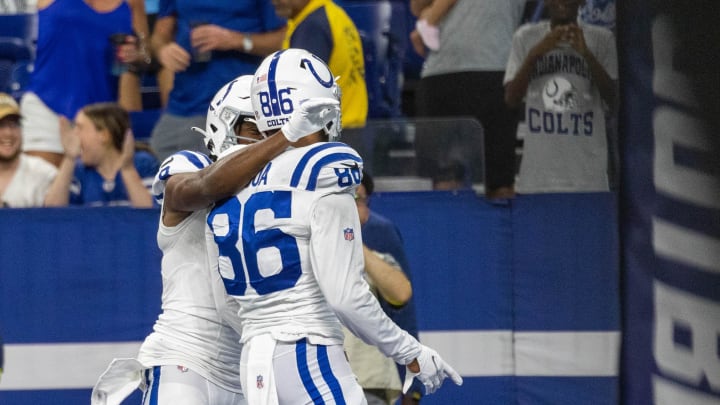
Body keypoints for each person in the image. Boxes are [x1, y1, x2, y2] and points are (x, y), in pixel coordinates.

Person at [206, 48, 462, 404]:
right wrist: (409, 351)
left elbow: (224, 305)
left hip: (255, 361)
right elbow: (345, 297)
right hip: (309, 354)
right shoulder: (323, 173)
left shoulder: (230, 183)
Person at [90, 75, 343, 405]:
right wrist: (284, 138)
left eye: (277, 129)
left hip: (253, 372)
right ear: (224, 125)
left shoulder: (292, 195)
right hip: (186, 360)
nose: (271, 139)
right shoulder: (190, 166)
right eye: (259, 129)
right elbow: (201, 188)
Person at [410, 0, 525, 199]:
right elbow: (417, 7)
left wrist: (429, 18)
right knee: (445, 180)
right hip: (441, 73)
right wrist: (430, 15)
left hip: (494, 72)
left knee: (500, 183)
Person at [148, 0, 286, 161]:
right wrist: (163, 50)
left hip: (238, 109)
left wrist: (236, 40)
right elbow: (159, 36)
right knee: (156, 174)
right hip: (181, 106)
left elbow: (284, 38)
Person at [503, 0, 618, 193]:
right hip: (537, 181)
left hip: (587, 180)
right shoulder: (525, 37)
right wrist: (536, 54)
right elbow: (511, 99)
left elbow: (614, 100)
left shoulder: (602, 39)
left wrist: (586, 55)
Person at [20, 0, 151, 167]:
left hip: (100, 114)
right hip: (46, 106)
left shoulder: (133, 3)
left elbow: (146, 53)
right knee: (41, 186)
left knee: (96, 190)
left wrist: (138, 56)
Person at [345, 170, 424, 405]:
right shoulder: (304, 231)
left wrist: (413, 381)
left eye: (358, 198)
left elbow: (402, 308)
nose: (352, 204)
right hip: (316, 374)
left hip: (369, 377)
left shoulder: (380, 231)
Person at [272, 0, 368, 129]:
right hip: (351, 127)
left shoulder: (312, 27)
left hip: (330, 134)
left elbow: (300, 96)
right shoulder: (334, 14)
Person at [44, 102, 159, 207]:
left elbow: (149, 212)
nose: (75, 134)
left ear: (104, 135)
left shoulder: (143, 164)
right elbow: (53, 214)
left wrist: (127, 170)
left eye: (80, 127)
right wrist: (69, 159)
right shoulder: (79, 171)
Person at [0, 93, 58, 207]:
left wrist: (69, 159)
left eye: (14, 125)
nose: (8, 133)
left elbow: (61, 219)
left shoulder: (43, 173)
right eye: (1, 126)